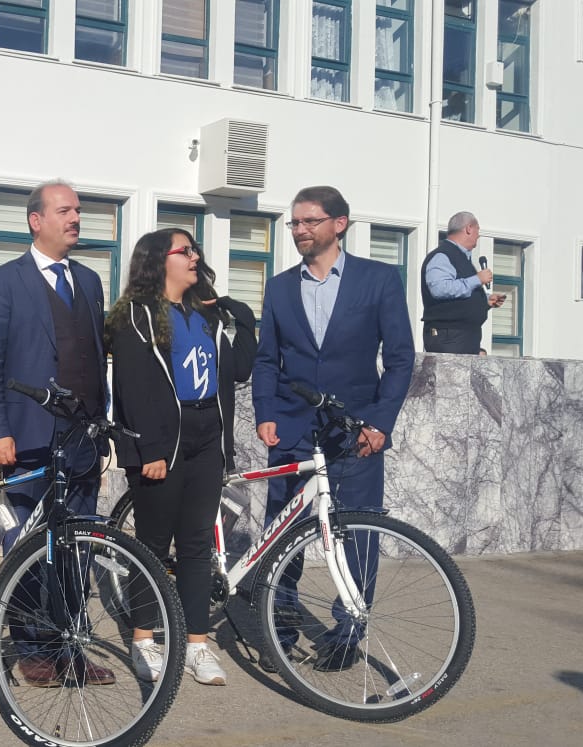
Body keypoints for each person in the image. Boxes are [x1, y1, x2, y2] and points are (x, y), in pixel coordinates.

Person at [252, 185, 415, 673]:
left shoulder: (379, 280)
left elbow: (402, 359)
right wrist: (265, 414)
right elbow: (266, 360)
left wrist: (380, 421)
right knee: (282, 530)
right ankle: (276, 626)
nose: (301, 230)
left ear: (339, 224)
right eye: (295, 223)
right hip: (291, 428)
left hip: (356, 430)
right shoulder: (280, 286)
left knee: (358, 531)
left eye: (310, 221)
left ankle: (348, 630)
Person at [0, 180, 113, 688]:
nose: (76, 218)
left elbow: (96, 358)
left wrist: (102, 425)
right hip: (26, 438)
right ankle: (32, 647)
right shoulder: (5, 282)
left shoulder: (91, 282)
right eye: (65, 210)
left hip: (81, 442)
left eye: (78, 210)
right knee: (28, 547)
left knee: (76, 549)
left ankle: (70, 646)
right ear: (36, 220)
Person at [106, 228, 257, 687]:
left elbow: (241, 372)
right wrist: (148, 448)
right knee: (153, 543)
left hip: (207, 435)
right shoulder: (137, 315)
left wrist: (242, 318)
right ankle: (143, 639)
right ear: (159, 261)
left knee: (196, 545)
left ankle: (196, 644)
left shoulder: (204, 315)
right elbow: (132, 385)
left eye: (195, 250)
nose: (195, 256)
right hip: (161, 440)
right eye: (184, 250)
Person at [420, 211, 506, 354]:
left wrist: (485, 302)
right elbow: (440, 288)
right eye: (478, 230)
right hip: (449, 336)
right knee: (451, 377)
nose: (478, 235)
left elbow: (460, 296)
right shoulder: (443, 256)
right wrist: (477, 279)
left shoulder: (461, 258)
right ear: (469, 229)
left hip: (464, 336)